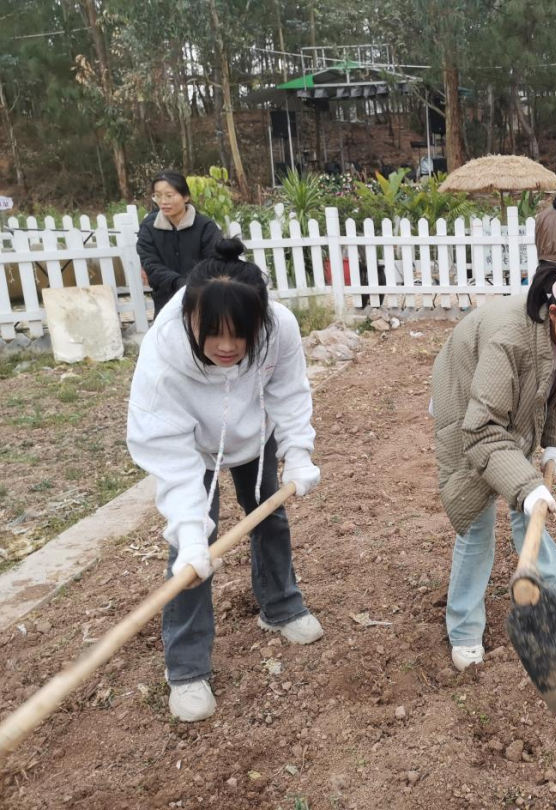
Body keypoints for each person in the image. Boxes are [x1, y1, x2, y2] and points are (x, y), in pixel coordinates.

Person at [127, 237, 324, 722]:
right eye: (213, 332)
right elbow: (169, 455)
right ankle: (188, 667)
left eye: (240, 334)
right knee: (193, 555)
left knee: (270, 519)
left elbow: (289, 390)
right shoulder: (163, 359)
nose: (227, 346)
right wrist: (190, 531)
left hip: (256, 433)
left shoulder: (281, 328)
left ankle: (280, 607)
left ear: (261, 321)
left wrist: (297, 452)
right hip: (192, 447)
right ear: (189, 318)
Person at [430, 264, 556, 671]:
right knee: (477, 516)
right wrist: (526, 484)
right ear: (555, 313)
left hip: (507, 405)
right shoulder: (509, 339)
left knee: (527, 501)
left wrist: (554, 443)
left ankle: (552, 595)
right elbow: (482, 432)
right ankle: (464, 628)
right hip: (466, 404)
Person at [137, 171, 222, 317]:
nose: (163, 201)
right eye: (158, 195)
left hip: (203, 299)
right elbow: (151, 265)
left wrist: (194, 285)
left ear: (186, 196)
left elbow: (215, 261)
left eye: (169, 195)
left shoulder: (205, 226)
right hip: (165, 302)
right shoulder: (149, 228)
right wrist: (180, 283)